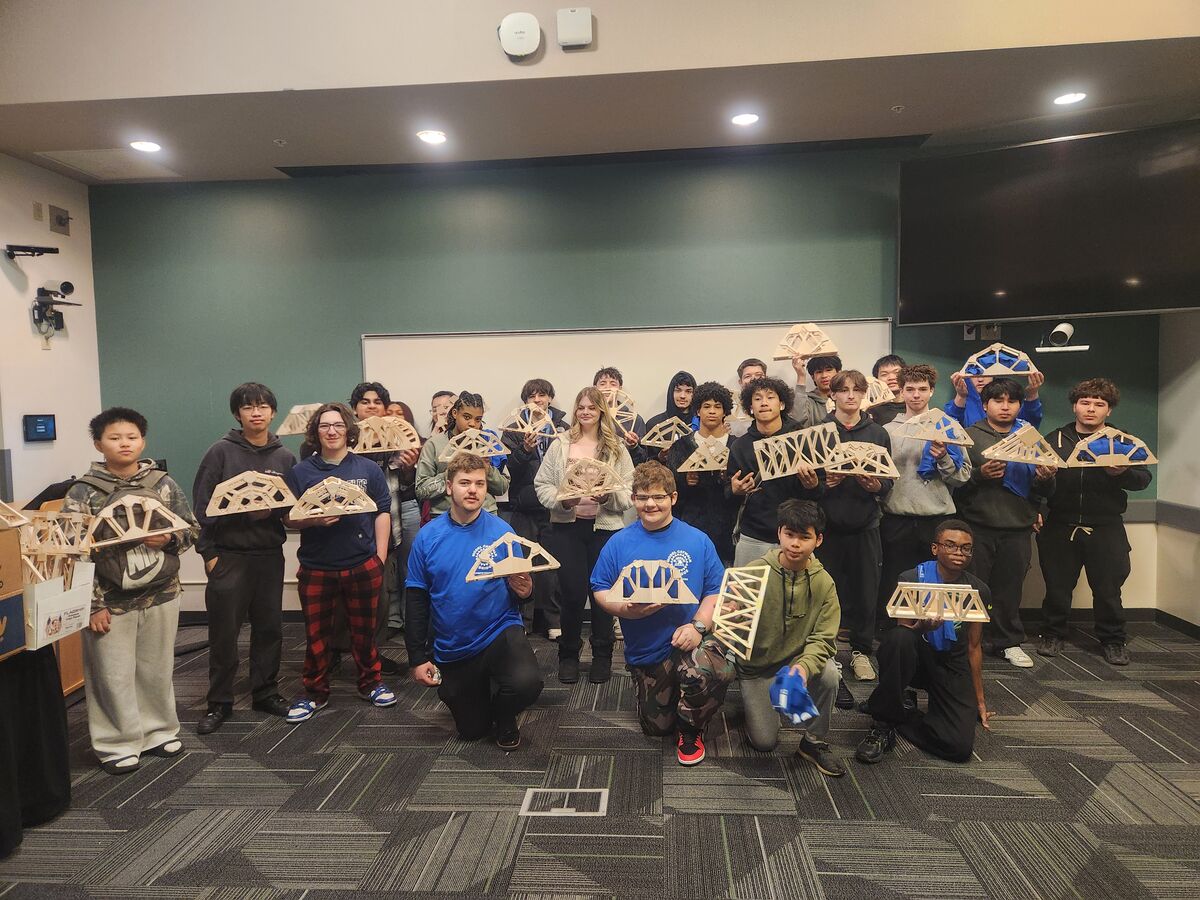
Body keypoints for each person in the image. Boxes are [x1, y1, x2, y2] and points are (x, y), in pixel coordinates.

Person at [65, 407, 199, 775]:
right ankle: (116, 742)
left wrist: (169, 537)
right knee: (112, 673)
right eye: (114, 437)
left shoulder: (162, 484)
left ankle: (159, 730)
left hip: (162, 593)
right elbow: (72, 552)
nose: (125, 443)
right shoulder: (83, 491)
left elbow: (191, 529)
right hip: (110, 600)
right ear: (98, 443)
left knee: (156, 668)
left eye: (132, 437)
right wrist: (91, 605)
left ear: (143, 441)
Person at [590, 461, 734, 766]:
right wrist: (626, 611)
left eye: (658, 496)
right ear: (633, 499)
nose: (650, 504)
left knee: (711, 670)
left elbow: (715, 589)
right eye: (642, 497)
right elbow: (600, 588)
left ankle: (691, 728)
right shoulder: (619, 543)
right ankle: (667, 696)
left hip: (692, 641)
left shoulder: (696, 540)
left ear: (673, 498)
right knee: (656, 729)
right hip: (647, 650)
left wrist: (697, 626)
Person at [405, 453, 543, 749]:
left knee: (526, 684)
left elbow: (524, 591)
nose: (473, 490)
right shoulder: (427, 538)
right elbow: (416, 599)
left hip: (498, 629)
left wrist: (526, 590)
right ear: (448, 487)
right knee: (472, 730)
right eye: (464, 483)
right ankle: (482, 691)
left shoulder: (502, 532)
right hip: (454, 643)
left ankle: (505, 715)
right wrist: (417, 657)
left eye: (480, 484)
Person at [192, 382, 297, 735]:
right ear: (238, 413)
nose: (256, 412)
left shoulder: (284, 457)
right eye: (249, 407)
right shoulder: (220, 452)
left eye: (263, 406)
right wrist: (209, 556)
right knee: (225, 633)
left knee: (270, 629)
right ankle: (219, 702)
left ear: (273, 411)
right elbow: (201, 506)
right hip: (229, 556)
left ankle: (265, 692)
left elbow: (290, 507)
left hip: (269, 554)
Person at [283, 403, 395, 722]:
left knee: (364, 631)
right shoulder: (301, 472)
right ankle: (315, 693)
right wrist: (313, 520)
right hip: (317, 566)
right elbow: (288, 518)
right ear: (315, 433)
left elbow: (382, 511)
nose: (331, 431)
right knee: (317, 634)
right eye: (324, 426)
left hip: (362, 564)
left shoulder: (367, 469)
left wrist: (380, 558)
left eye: (338, 425)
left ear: (348, 430)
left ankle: (370, 683)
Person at [856, 519, 993, 764]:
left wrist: (979, 700)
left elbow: (973, 647)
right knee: (898, 639)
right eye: (950, 545)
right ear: (935, 548)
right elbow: (904, 632)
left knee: (958, 748)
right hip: (916, 655)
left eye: (965, 548)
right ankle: (883, 722)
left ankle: (901, 711)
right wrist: (922, 627)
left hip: (951, 662)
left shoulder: (978, 590)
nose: (958, 553)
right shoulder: (911, 578)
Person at [1037, 378, 1152, 666]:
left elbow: (1143, 479)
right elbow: (1036, 487)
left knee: (1108, 589)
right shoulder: (1055, 439)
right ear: (1075, 406)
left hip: (1106, 527)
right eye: (1085, 403)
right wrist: (1043, 478)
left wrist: (1121, 473)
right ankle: (1052, 634)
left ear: (1108, 411)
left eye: (1099, 404)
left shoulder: (1121, 440)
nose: (1091, 409)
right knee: (1057, 587)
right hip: (1060, 525)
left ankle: (1113, 640)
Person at [534, 386, 635, 684]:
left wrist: (609, 499)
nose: (586, 411)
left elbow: (628, 490)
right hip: (568, 529)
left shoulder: (615, 446)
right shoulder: (561, 444)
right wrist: (563, 500)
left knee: (602, 595)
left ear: (602, 410)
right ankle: (568, 655)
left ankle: (602, 657)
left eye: (592, 406)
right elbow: (542, 485)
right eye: (581, 407)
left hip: (605, 530)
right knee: (573, 594)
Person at [736, 500, 845, 776]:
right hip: (757, 666)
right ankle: (758, 702)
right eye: (789, 534)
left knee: (831, 673)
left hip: (795, 663)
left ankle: (813, 742)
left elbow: (823, 638)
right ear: (779, 534)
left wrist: (803, 667)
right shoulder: (754, 572)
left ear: (818, 540)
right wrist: (731, 615)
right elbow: (733, 629)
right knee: (764, 743)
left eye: (804, 537)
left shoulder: (824, 583)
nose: (795, 544)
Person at [956, 378, 1056, 668]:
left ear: (1019, 405)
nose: (1005, 406)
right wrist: (980, 475)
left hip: (1018, 526)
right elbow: (955, 486)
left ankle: (1008, 642)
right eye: (997, 401)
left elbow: (1045, 491)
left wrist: (1044, 479)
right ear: (985, 405)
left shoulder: (1030, 437)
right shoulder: (969, 436)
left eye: (1011, 401)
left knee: (1009, 588)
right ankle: (967, 643)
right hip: (978, 524)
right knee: (973, 588)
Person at [878, 365, 971, 630]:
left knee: (934, 580)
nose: (916, 395)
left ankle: (935, 633)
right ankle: (894, 633)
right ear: (902, 391)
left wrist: (942, 457)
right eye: (910, 389)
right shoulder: (887, 430)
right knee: (895, 580)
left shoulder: (948, 427)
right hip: (896, 517)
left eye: (922, 389)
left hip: (936, 518)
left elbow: (962, 477)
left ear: (931, 391)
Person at [817, 370, 893, 681]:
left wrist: (875, 485)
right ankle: (827, 652)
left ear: (864, 395)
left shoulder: (878, 433)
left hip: (865, 525)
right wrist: (825, 483)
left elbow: (888, 484)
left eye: (856, 390)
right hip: (827, 527)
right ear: (832, 394)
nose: (850, 395)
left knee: (866, 592)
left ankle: (862, 652)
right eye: (844, 390)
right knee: (825, 593)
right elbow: (805, 483)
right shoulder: (819, 431)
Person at [349, 381, 417, 675]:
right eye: (366, 402)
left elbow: (405, 490)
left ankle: (372, 656)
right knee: (343, 601)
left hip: (387, 531)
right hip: (348, 535)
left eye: (378, 402)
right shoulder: (343, 441)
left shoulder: (395, 440)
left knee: (380, 598)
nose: (372, 406)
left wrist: (407, 469)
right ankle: (337, 658)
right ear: (355, 408)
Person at [725, 376, 822, 566]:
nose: (764, 403)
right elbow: (728, 491)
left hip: (796, 535)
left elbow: (821, 490)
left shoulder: (802, 439)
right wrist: (735, 490)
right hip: (753, 536)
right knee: (746, 594)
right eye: (757, 398)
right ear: (750, 407)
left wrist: (813, 485)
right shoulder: (740, 446)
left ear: (782, 404)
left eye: (770, 397)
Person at [502, 378, 568, 638]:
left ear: (550, 398)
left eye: (542, 395)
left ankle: (554, 622)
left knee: (552, 566)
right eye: (532, 396)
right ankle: (525, 621)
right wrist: (525, 450)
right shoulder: (513, 428)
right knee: (523, 562)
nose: (538, 400)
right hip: (525, 504)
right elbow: (509, 468)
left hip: (554, 503)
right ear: (526, 401)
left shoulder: (564, 428)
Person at [665, 381, 738, 564]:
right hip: (690, 526)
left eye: (717, 406)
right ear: (697, 411)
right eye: (706, 406)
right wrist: (685, 481)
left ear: (725, 412)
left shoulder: (737, 445)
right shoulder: (681, 446)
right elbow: (670, 488)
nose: (712, 411)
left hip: (728, 530)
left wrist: (730, 483)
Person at [415, 391, 510, 517]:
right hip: (445, 517)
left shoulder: (488, 442)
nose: (472, 424)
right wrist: (453, 472)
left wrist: (487, 469)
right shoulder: (434, 444)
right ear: (455, 413)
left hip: (485, 515)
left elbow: (502, 487)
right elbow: (421, 490)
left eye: (478, 419)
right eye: (466, 417)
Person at [945, 369, 1044, 429]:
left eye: (985, 374)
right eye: (974, 374)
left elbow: (1030, 424)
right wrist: (961, 396)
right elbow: (950, 427)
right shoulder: (959, 405)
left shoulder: (1011, 399)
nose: (980, 379)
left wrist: (1032, 394)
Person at [593, 366, 648, 458]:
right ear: (595, 388)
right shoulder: (588, 417)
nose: (608, 387)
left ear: (620, 388)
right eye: (602, 383)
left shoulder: (635, 420)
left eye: (613, 384)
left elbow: (643, 458)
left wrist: (633, 447)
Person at [644, 370, 697, 445]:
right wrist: (660, 456)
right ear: (671, 392)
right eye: (678, 390)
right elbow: (645, 456)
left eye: (688, 391)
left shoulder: (701, 424)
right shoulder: (654, 424)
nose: (683, 396)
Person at [792, 354, 842, 428]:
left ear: (839, 373)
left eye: (828, 370)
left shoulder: (848, 398)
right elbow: (796, 421)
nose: (824, 375)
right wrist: (801, 376)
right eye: (819, 372)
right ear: (813, 377)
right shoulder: (807, 400)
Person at [728, 358, 767, 438]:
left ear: (766, 378)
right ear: (740, 382)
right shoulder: (731, 408)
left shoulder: (775, 401)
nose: (753, 379)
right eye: (747, 376)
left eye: (759, 375)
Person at [868, 354, 907, 426]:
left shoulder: (914, 405)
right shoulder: (870, 410)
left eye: (897, 373)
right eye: (884, 374)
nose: (891, 377)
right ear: (877, 379)